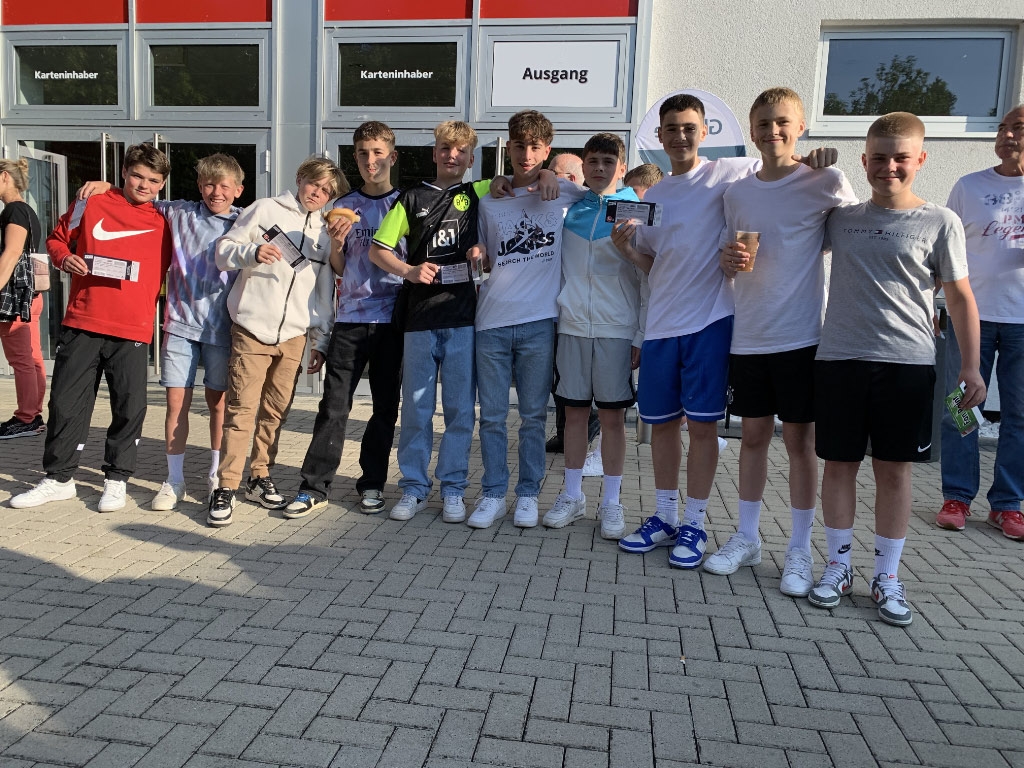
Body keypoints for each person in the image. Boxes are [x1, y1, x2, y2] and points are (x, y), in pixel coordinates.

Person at [612, 93, 835, 569]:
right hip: (661, 326)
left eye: (689, 128)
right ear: (659, 135)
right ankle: (665, 517)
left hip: (710, 322)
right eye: (671, 129)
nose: (680, 137)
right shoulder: (654, 197)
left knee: (702, 428)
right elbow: (655, 264)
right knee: (661, 427)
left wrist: (811, 158)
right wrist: (628, 251)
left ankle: (695, 523)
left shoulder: (728, 174)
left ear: (705, 132)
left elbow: (779, 161)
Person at [808, 112, 984, 627]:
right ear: (864, 161)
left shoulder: (940, 221)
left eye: (901, 158)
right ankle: (838, 566)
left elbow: (960, 297)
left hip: (907, 363)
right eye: (879, 158)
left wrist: (971, 367)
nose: (889, 167)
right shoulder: (839, 218)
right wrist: (808, 165)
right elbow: (789, 212)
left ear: (920, 159)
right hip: (839, 359)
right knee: (839, 466)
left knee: (893, 471)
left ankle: (886, 576)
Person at [706, 88, 856, 596]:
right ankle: (747, 537)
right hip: (748, 335)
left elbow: (853, 237)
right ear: (752, 131)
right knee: (751, 439)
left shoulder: (825, 180)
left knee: (799, 444)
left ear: (801, 127)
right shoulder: (737, 193)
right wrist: (728, 262)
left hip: (801, 336)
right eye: (765, 123)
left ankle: (798, 549)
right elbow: (728, 257)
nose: (774, 130)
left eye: (783, 122)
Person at [77, 154, 246, 510]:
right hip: (180, 326)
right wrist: (108, 186)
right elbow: (139, 196)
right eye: (209, 185)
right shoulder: (180, 212)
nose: (216, 192)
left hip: (222, 331)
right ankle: (174, 480)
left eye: (224, 186)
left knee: (218, 405)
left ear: (238, 190)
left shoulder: (246, 221)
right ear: (199, 186)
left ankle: (216, 477)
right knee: (175, 405)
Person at [10, 144, 172, 512]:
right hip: (83, 320)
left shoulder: (166, 220)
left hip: (133, 328)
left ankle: (117, 480)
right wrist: (64, 258)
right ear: (124, 172)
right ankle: (59, 479)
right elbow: (56, 239)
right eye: (137, 176)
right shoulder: (91, 202)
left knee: (129, 407)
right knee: (65, 404)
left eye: (153, 180)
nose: (144, 185)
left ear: (162, 184)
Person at [207, 155, 348, 527]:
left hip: (295, 335)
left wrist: (320, 340)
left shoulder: (324, 232)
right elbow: (223, 252)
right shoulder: (264, 209)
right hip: (252, 328)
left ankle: (259, 476)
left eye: (326, 191)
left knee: (275, 412)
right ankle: (226, 486)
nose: (317, 193)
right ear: (300, 178)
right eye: (314, 184)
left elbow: (324, 291)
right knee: (241, 410)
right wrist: (252, 253)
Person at [369, 121, 491, 524]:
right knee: (417, 410)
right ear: (434, 152)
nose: (452, 156)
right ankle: (414, 489)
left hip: (463, 318)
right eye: (445, 148)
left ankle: (453, 489)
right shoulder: (410, 197)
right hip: (419, 319)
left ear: (471, 158)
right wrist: (408, 271)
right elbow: (377, 250)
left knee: (459, 411)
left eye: (460, 151)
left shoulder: (481, 192)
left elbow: (521, 184)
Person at [285, 121, 405, 518]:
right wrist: (336, 243)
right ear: (354, 157)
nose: (371, 160)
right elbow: (338, 267)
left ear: (392, 156)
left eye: (378, 152)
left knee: (384, 408)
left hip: (392, 321)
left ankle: (372, 484)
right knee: (334, 406)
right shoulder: (343, 206)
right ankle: (313, 486)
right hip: (351, 319)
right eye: (363, 153)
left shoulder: (405, 204)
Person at [471, 110, 584, 529]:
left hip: (540, 321)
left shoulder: (566, 193)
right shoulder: (489, 198)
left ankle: (528, 494)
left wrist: (555, 177)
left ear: (547, 150)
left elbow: (610, 195)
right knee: (493, 417)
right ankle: (493, 493)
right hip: (492, 320)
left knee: (534, 417)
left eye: (535, 147)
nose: (527, 154)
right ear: (509, 147)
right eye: (519, 146)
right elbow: (482, 256)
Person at [542, 132, 646, 540]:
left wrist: (640, 333)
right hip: (572, 325)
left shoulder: (636, 212)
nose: (600, 168)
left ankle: (613, 501)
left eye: (608, 161)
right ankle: (572, 495)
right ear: (583, 166)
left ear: (622, 167)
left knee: (613, 418)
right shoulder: (570, 208)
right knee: (574, 415)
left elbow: (648, 276)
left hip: (617, 328)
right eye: (593, 161)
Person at [936, 104, 1024, 541]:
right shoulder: (969, 186)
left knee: (1019, 415)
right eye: (1002, 127)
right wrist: (932, 301)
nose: (1006, 135)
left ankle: (1007, 505)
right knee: (961, 407)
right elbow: (945, 249)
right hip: (971, 317)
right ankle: (957, 496)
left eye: (1018, 128)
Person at [545, 153, 601, 456]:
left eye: (554, 172)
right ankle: (566, 431)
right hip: (551, 305)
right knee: (559, 376)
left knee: (570, 377)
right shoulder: (554, 201)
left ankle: (583, 426)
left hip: (576, 309)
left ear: (570, 179)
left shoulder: (585, 205)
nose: (548, 176)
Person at [0, 158, 45, 440]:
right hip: (29, 296)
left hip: (15, 298)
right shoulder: (26, 210)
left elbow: (12, 252)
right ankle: (33, 415)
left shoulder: (14, 210)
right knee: (32, 357)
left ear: (5, 176)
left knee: (21, 359)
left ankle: (26, 417)